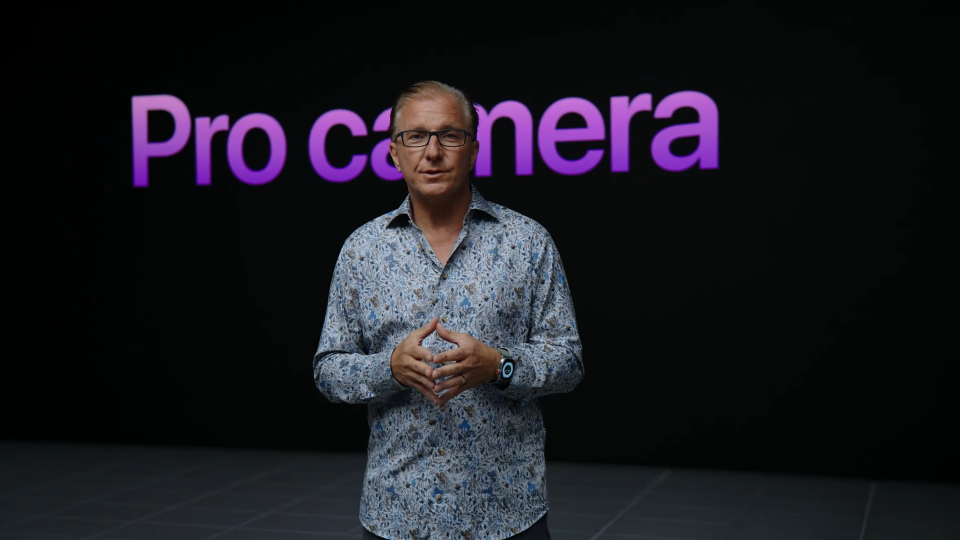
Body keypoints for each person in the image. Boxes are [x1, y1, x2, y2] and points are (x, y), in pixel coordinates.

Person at [313, 80, 583, 540]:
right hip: (396, 515)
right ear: (394, 153)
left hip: (508, 515)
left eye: (449, 135)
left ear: (473, 149)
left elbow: (569, 362)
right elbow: (328, 370)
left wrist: (500, 365)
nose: (432, 151)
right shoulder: (362, 250)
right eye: (415, 136)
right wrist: (390, 368)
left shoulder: (527, 242)